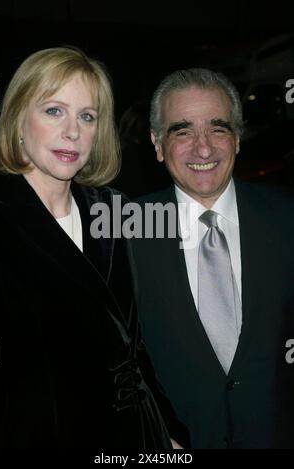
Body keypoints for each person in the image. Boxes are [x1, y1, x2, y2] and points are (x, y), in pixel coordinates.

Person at [0, 47, 188, 449]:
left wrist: (168, 431)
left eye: (87, 116)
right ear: (16, 120)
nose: (73, 132)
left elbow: (131, 344)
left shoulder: (112, 209)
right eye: (54, 111)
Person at [132, 68, 294, 448]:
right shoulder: (125, 234)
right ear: (157, 143)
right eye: (182, 131)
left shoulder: (288, 219)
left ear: (237, 139)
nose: (203, 149)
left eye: (218, 129)